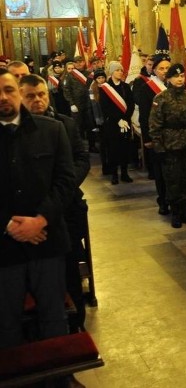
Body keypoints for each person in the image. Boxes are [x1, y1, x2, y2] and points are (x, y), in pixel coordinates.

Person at [0, 68, 75, 349]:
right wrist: (9, 224)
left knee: (53, 317)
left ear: (19, 92)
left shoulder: (51, 130)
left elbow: (65, 180)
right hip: (4, 247)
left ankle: (59, 376)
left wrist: (40, 219)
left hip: (48, 241)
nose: (3, 97)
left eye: (8, 90)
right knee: (6, 322)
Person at [18, 73, 91, 334]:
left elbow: (81, 158)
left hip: (65, 207)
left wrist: (66, 186)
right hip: (30, 215)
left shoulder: (65, 124)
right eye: (30, 96)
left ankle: (76, 328)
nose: (37, 100)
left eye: (41, 95)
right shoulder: (14, 133)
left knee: (69, 272)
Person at [149, 63, 186, 229]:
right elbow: (155, 125)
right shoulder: (161, 98)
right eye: (176, 76)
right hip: (170, 146)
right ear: (168, 79)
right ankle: (176, 212)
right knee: (173, 180)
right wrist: (159, 147)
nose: (179, 79)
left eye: (181, 76)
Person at [132, 55, 171, 214]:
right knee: (161, 173)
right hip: (157, 137)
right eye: (161, 68)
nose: (165, 71)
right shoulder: (147, 88)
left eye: (167, 68)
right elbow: (144, 115)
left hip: (175, 138)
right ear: (154, 70)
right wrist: (147, 138)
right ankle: (163, 201)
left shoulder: (175, 85)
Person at [99, 61, 135, 185]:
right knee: (113, 149)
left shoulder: (125, 87)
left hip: (125, 122)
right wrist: (118, 119)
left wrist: (125, 118)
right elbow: (105, 107)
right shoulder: (105, 88)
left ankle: (124, 173)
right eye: (117, 70)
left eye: (121, 70)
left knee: (125, 148)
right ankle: (114, 174)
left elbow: (130, 104)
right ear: (111, 72)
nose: (120, 72)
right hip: (112, 124)